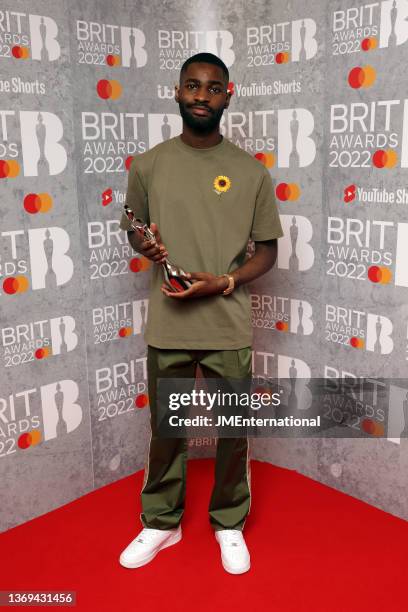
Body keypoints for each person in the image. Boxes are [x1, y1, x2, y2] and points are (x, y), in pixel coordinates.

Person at [118, 52, 283, 574]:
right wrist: (141, 242)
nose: (201, 96)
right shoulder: (147, 165)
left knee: (233, 431)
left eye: (213, 88)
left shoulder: (251, 172)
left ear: (228, 96)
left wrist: (226, 281)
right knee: (168, 429)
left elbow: (267, 252)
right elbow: (136, 226)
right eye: (192, 86)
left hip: (227, 323)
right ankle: (161, 523)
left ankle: (229, 523)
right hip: (168, 323)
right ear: (176, 92)